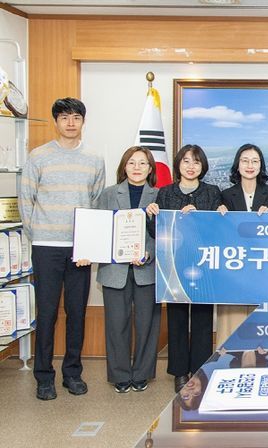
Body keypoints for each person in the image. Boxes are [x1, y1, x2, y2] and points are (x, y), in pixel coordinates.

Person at [19, 97, 105, 400]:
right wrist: (39, 235)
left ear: (83, 122)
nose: (70, 123)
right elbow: (26, 201)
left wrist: (89, 243)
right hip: (46, 246)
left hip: (80, 249)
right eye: (65, 117)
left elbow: (95, 203)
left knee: (76, 312)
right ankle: (44, 376)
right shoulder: (38, 156)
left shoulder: (94, 159)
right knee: (47, 313)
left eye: (76, 117)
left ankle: (72, 373)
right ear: (56, 121)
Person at [147, 144, 222, 393]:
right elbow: (157, 233)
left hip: (203, 264)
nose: (191, 166)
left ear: (203, 166)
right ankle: (179, 372)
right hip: (174, 264)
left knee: (202, 320)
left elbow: (217, 230)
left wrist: (203, 215)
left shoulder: (212, 192)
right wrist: (152, 215)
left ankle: (200, 370)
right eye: (186, 161)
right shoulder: (165, 192)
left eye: (196, 162)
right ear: (178, 164)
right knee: (177, 318)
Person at [95, 146, 160, 393]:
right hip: (114, 269)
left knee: (147, 325)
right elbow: (99, 229)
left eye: (143, 163)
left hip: (147, 269)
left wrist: (148, 253)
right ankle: (120, 375)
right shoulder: (109, 194)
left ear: (150, 168)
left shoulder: (159, 195)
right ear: (124, 166)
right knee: (116, 324)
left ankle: (142, 373)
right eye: (132, 162)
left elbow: (164, 234)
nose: (137, 168)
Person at [216, 144, 268, 348]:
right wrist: (218, 214)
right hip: (235, 268)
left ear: (261, 165)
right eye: (245, 161)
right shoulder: (226, 195)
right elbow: (221, 233)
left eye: (255, 161)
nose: (250, 165)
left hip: (263, 266)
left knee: (260, 324)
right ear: (237, 165)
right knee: (232, 322)